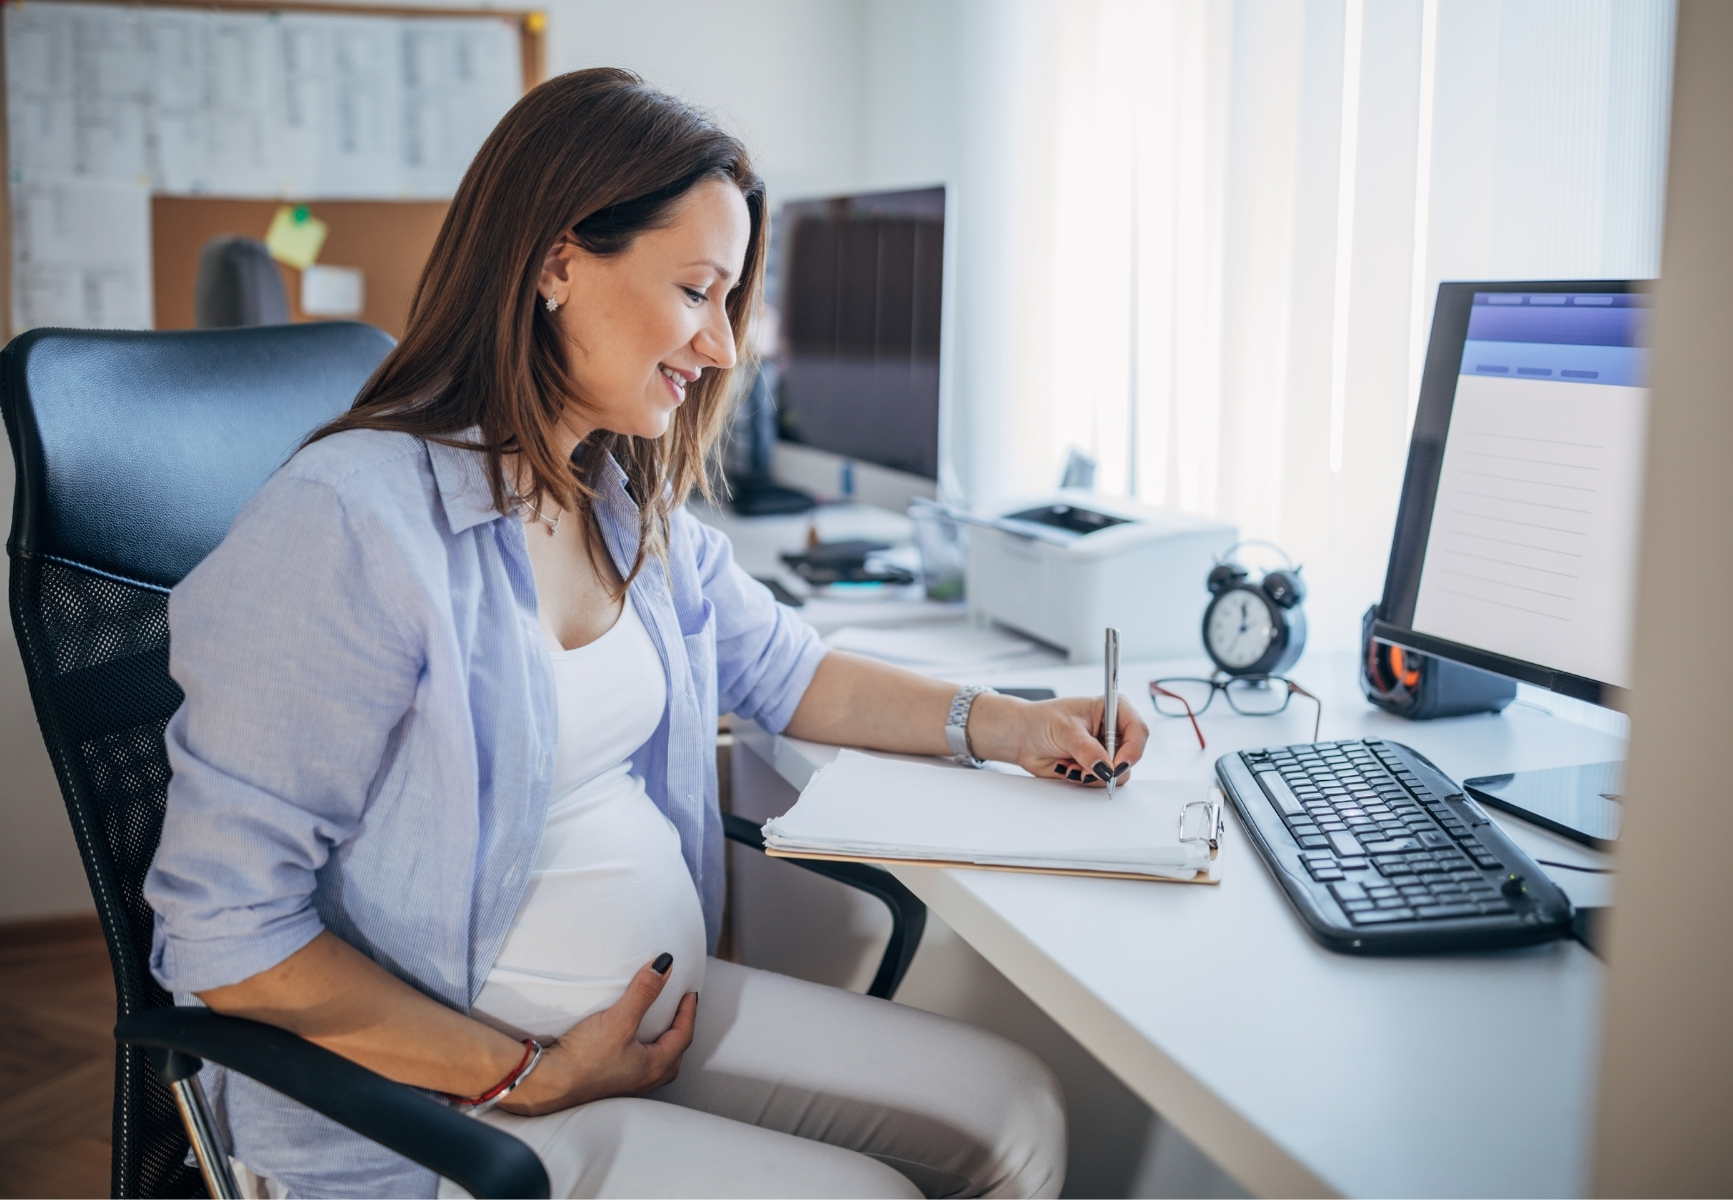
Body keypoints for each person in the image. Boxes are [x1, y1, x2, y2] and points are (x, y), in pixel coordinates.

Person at [145, 68, 1151, 1200]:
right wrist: (524, 1071)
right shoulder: (350, 521)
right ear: (558, 261)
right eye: (697, 291)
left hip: (635, 1021)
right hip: (438, 1100)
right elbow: (226, 932)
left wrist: (1011, 726)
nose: (721, 347)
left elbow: (791, 672)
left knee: (1016, 1114)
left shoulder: (613, 499)